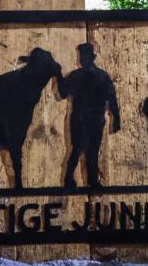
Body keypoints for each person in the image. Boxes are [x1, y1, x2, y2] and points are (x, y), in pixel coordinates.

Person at [58, 43, 120, 189]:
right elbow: (112, 99)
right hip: (89, 119)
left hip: (86, 118)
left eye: (83, 56)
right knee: (85, 149)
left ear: (89, 57)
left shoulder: (78, 76)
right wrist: (116, 118)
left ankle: (80, 179)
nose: (82, 59)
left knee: (82, 149)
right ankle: (79, 179)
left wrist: (59, 75)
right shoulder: (101, 76)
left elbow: (62, 92)